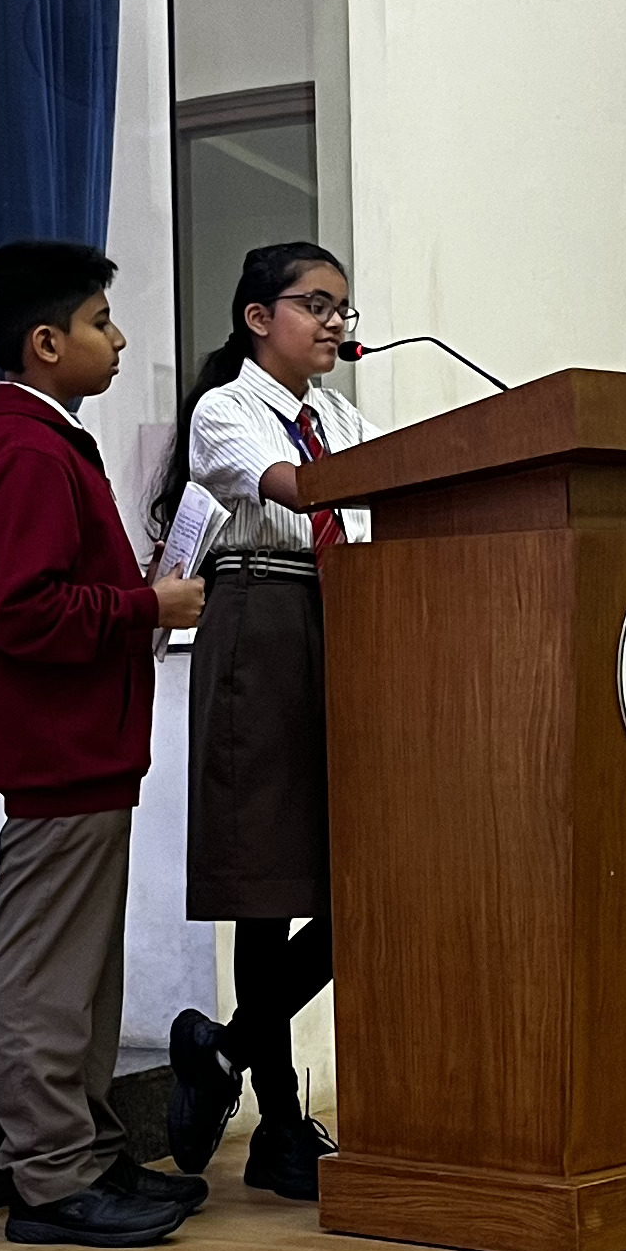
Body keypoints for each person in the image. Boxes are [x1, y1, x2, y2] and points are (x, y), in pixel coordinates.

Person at [0, 239, 213, 1246]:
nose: (119, 339)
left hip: (89, 752)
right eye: (102, 322)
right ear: (46, 342)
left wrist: (136, 597)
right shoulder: (27, 452)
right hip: (58, 753)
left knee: (86, 978)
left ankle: (90, 1149)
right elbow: (22, 612)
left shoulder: (51, 441)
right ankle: (49, 1180)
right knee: (45, 980)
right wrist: (146, 604)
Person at [151, 242, 361, 1202]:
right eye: (316, 304)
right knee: (267, 886)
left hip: (343, 622)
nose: (334, 324)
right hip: (261, 627)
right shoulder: (226, 409)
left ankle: (222, 1051)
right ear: (258, 317)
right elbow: (295, 488)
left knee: (361, 882)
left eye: (342, 309)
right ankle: (279, 1127)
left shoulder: (342, 418)